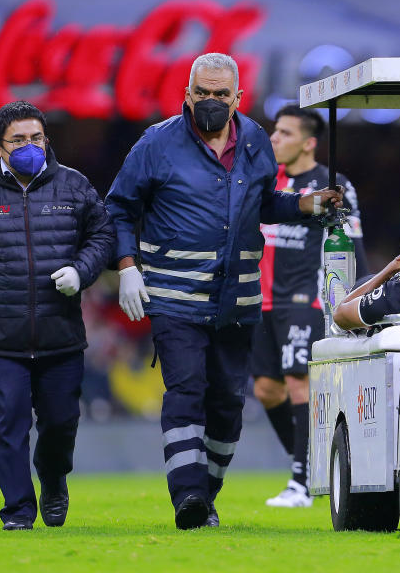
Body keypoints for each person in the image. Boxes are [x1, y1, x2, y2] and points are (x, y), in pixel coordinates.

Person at [106, 53, 344, 530]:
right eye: (203, 93)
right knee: (185, 391)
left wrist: (305, 204)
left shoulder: (256, 139)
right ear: (187, 95)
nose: (211, 101)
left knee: (228, 405)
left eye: (221, 94)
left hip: (237, 299)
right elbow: (117, 208)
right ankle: (188, 496)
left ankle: (205, 493)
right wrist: (128, 267)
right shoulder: (155, 143)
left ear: (238, 98)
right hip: (174, 296)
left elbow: (265, 202)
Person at [0, 101, 114, 530]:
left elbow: (104, 234)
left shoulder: (73, 187)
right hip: (0, 337)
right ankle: (17, 511)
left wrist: (83, 270)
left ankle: (52, 479)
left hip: (61, 334)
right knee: (9, 422)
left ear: (46, 140)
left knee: (60, 422)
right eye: (19, 140)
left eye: (37, 137)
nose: (30, 146)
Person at [252, 105, 368, 508]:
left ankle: (301, 483)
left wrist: (359, 297)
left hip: (307, 296)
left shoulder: (332, 184)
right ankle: (307, 461)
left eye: (284, 133)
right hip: (263, 300)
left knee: (299, 381)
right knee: (267, 389)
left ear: (309, 142)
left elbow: (353, 243)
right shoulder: (270, 181)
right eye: (274, 132)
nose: (274, 139)